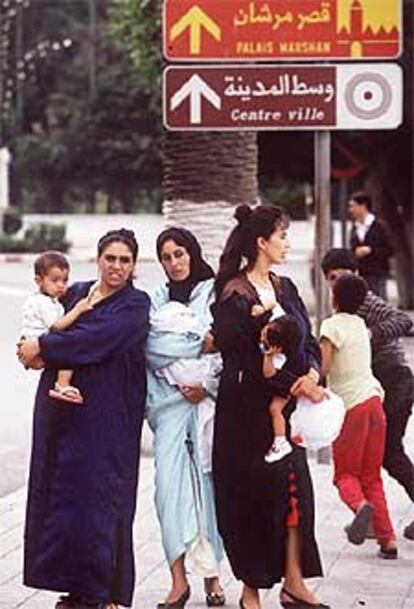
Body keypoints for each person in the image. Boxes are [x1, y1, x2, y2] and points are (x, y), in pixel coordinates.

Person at [17, 229, 150, 609]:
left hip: (108, 416)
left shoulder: (134, 305)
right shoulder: (75, 293)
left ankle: (103, 591)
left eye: (125, 260)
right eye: (111, 258)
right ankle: (75, 589)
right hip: (62, 415)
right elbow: (41, 325)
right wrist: (26, 347)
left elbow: (94, 340)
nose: (117, 266)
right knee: (65, 503)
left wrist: (41, 346)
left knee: (102, 501)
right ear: (98, 259)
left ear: (134, 266)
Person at [212, 204, 329, 609]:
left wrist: (312, 376)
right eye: (281, 236)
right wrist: (294, 385)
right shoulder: (232, 294)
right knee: (251, 501)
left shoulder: (286, 287)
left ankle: (294, 581)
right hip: (244, 418)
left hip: (286, 413)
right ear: (261, 242)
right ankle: (251, 589)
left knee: (297, 496)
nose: (286, 243)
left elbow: (309, 342)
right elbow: (242, 358)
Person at [146, 227, 225, 609]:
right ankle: (178, 582)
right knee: (167, 494)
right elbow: (150, 348)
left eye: (180, 254)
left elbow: (226, 343)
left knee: (207, 492)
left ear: (192, 253)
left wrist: (206, 384)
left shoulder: (214, 293)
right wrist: (197, 341)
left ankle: (213, 579)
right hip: (168, 406)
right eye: (166, 257)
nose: (174, 263)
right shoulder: (155, 299)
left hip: (206, 408)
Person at [321, 248, 414, 540]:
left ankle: (371, 517)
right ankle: (379, 526)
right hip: (374, 387)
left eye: (342, 277)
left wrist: (369, 336)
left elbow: (403, 321)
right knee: (377, 459)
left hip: (392, 378)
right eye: (332, 278)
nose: (337, 283)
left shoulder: (365, 302)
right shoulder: (343, 310)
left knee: (389, 454)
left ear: (356, 275)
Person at [319, 274, 397, 558]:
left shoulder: (331, 326)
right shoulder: (361, 324)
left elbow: (324, 368)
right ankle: (387, 540)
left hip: (351, 407)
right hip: (376, 402)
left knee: (345, 475)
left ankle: (360, 507)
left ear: (334, 298)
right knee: (371, 475)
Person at [20, 250, 96, 404]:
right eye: (55, 280)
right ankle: (62, 384)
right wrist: (78, 309)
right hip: (38, 342)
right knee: (68, 349)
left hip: (33, 341)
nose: (61, 285)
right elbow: (56, 326)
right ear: (39, 281)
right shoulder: (43, 302)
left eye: (65, 280)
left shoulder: (47, 300)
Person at [253, 312, 303, 462]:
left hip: (283, 386)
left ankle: (280, 441)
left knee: (275, 409)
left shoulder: (278, 358)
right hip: (282, 383)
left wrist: (268, 356)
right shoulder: (274, 326)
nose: (262, 338)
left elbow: (269, 374)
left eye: (265, 339)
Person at [348, 191, 394, 299]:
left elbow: (390, 249)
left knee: (378, 304)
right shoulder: (355, 227)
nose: (351, 210)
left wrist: (371, 250)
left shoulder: (379, 226)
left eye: (353, 206)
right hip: (360, 274)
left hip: (377, 273)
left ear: (363, 206)